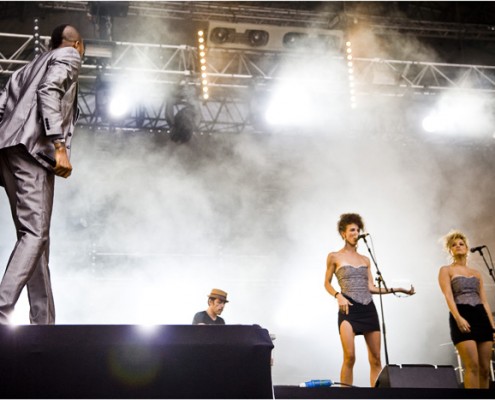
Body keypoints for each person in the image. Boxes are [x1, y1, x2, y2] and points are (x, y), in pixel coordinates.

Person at [0, 24, 84, 324]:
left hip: (7, 153)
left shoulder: (23, 70)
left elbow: (1, 110)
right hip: (33, 151)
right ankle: (1, 309)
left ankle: (44, 322)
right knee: (35, 235)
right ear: (78, 44)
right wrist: (59, 144)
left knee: (35, 239)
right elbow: (49, 90)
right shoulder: (69, 56)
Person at [324, 213, 415, 387]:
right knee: (350, 356)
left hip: (368, 308)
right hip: (348, 308)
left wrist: (398, 289)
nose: (355, 233)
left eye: (358, 230)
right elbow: (326, 283)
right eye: (352, 230)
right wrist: (338, 296)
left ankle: (375, 397)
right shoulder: (334, 256)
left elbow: (371, 287)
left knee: (376, 359)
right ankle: (346, 397)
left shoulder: (365, 259)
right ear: (343, 233)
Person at [438, 230, 495, 389]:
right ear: (450, 250)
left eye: (461, 244)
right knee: (473, 366)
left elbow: (484, 301)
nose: (458, 246)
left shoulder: (476, 273)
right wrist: (458, 317)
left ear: (467, 247)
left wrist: (492, 327)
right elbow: (448, 296)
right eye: (454, 245)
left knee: (485, 370)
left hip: (481, 316)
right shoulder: (446, 270)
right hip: (462, 314)